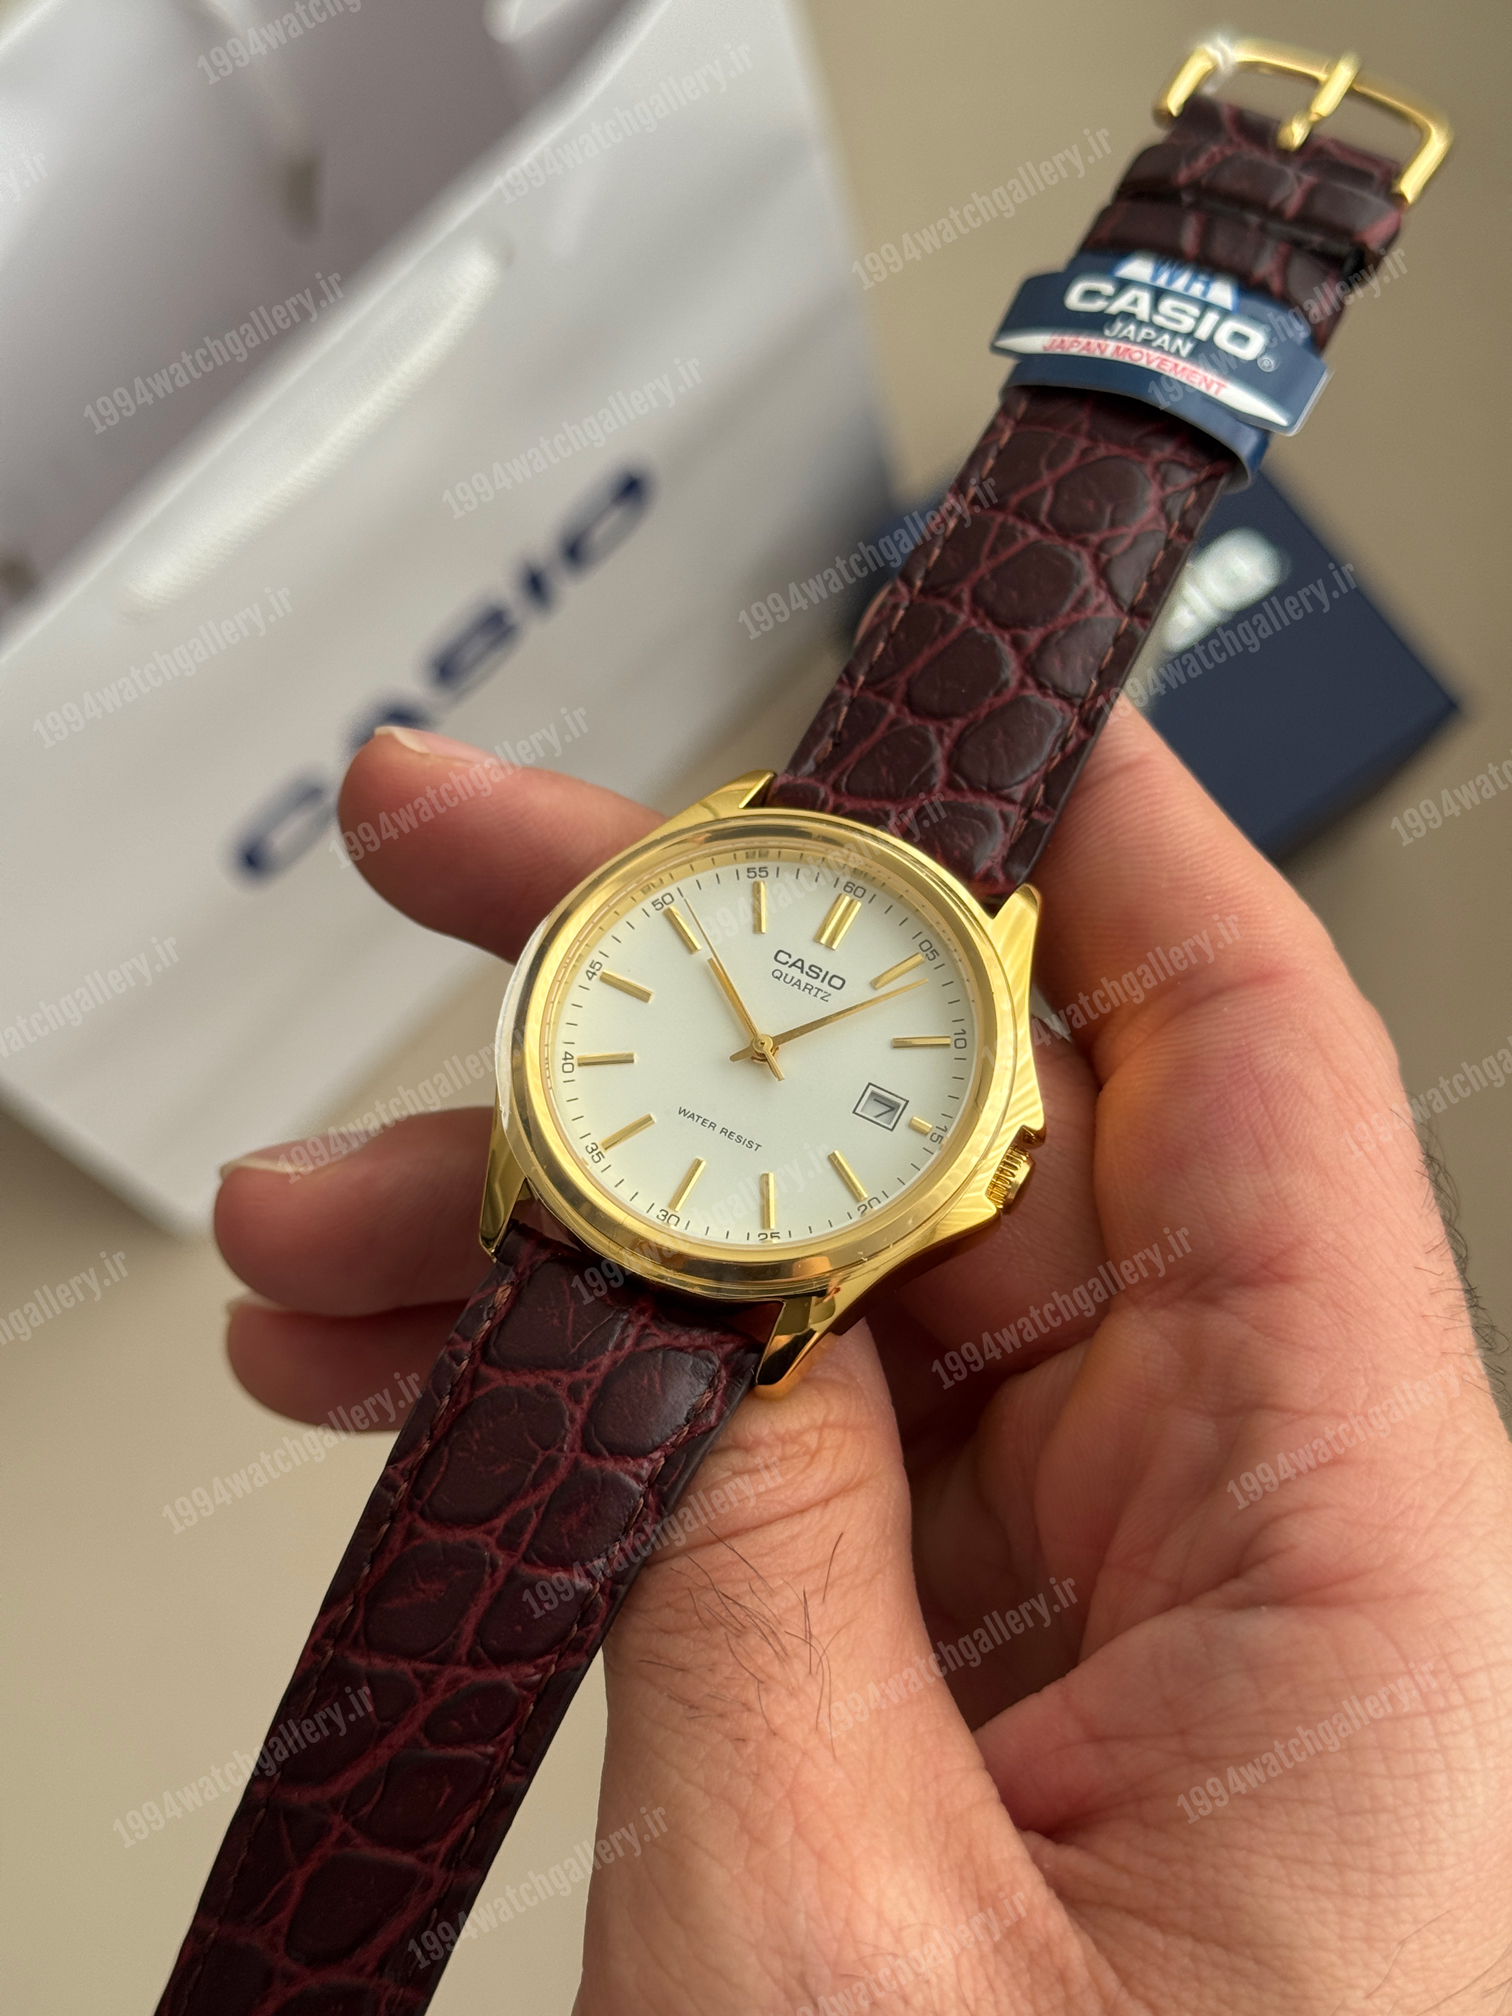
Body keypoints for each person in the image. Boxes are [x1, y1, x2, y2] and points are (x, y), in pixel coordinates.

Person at [216, 703, 1512, 2011]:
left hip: (723, 1308)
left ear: (984, 1153)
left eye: (778, 1052)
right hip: (582, 1190)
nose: (760, 1052)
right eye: (752, 1033)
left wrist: (682, 1381)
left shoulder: (821, 1305)